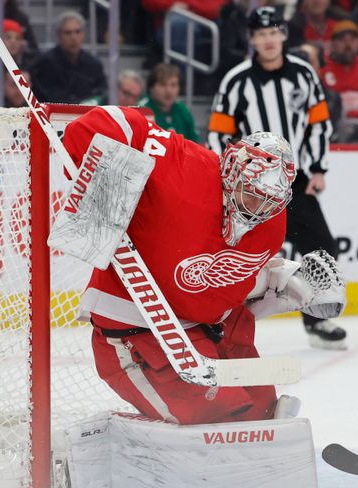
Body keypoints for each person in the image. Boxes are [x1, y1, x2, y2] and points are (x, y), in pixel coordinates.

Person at [64, 105, 307, 426]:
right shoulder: (182, 166)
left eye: (269, 199)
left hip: (208, 330)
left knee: (263, 415)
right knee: (216, 419)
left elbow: (216, 284)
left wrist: (273, 283)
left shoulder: (271, 220)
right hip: (137, 330)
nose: (258, 207)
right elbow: (115, 122)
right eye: (252, 192)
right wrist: (103, 184)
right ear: (233, 170)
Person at [207, 6, 348, 350]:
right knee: (231, 256)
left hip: (295, 183)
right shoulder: (236, 81)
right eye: (261, 34)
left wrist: (318, 169)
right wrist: (228, 182)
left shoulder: (304, 74)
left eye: (274, 33)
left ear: (284, 35)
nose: (268, 40)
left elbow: (319, 124)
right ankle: (214, 321)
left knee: (321, 248)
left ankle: (317, 321)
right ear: (252, 39)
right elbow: (218, 136)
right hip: (250, 190)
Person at [31, 11, 106, 104]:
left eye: (77, 32)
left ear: (83, 34)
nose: (74, 37)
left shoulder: (94, 64)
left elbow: (102, 93)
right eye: (68, 33)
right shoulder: (45, 63)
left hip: (88, 114)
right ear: (59, 35)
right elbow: (47, 95)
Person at [138, 63, 199, 142]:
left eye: (173, 85)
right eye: (163, 85)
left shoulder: (182, 109)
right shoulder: (142, 110)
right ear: (151, 88)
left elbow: (195, 143)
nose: (168, 91)